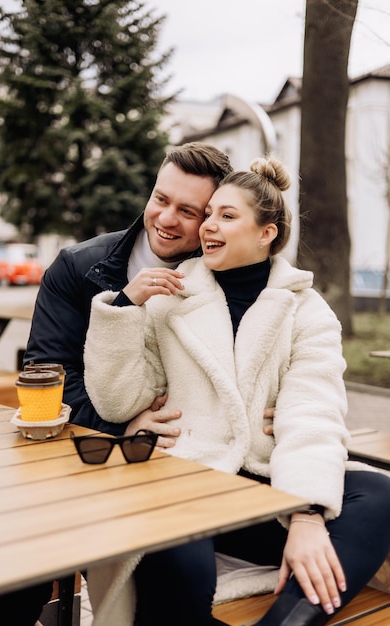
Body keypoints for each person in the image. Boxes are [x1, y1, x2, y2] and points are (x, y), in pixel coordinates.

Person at [83, 156, 390, 626]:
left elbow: (313, 411)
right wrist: (123, 307)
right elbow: (117, 401)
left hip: (267, 487)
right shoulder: (169, 297)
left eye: (227, 216)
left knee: (376, 491)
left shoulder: (307, 312)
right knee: (176, 563)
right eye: (209, 214)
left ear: (266, 232)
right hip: (189, 481)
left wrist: (305, 514)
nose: (208, 225)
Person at [0, 142, 233, 626]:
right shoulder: (78, 267)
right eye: (161, 198)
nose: (167, 218)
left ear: (212, 218)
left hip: (177, 465)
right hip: (77, 456)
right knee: (9, 567)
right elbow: (48, 373)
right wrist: (121, 423)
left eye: (188, 211)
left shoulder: (225, 277)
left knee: (178, 568)